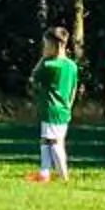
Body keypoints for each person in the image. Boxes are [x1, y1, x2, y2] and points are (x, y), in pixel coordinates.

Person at [30, 28, 79, 181]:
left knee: (55, 142)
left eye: (46, 45)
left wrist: (42, 59)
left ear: (54, 45)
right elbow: (74, 88)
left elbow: (33, 77)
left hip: (51, 108)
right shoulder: (72, 65)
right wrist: (69, 105)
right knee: (47, 139)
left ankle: (63, 175)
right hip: (64, 108)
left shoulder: (49, 65)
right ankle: (44, 172)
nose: (44, 49)